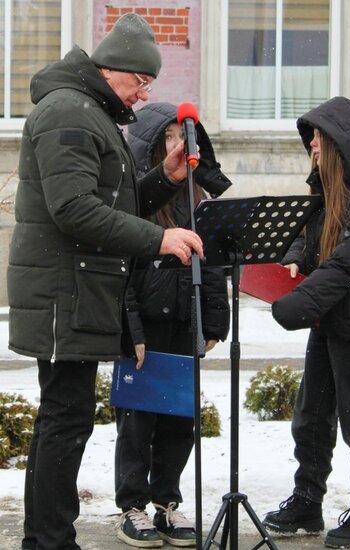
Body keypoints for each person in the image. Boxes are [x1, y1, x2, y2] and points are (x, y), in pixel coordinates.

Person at [7, 14, 204, 550]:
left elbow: (111, 203)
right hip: (63, 293)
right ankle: (50, 541)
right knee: (65, 422)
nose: (144, 95)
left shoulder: (88, 112)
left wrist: (165, 179)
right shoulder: (68, 112)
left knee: (64, 420)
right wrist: (159, 238)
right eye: (141, 81)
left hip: (76, 291)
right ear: (113, 69)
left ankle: (46, 539)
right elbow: (74, 209)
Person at [262, 96, 350, 548]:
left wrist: (294, 305)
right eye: (312, 139)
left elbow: (344, 267)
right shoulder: (330, 191)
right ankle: (307, 501)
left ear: (343, 144)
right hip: (330, 321)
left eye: (320, 139)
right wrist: (292, 258)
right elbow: (308, 238)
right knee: (311, 416)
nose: (313, 146)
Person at [114, 102, 232, 548]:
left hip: (185, 322)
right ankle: (132, 505)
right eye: (168, 137)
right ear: (150, 146)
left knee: (179, 420)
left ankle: (167, 500)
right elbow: (121, 274)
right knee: (137, 422)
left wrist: (214, 320)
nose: (178, 145)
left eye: (184, 136)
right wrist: (131, 330)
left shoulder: (197, 201)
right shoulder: (137, 201)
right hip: (145, 328)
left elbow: (212, 264)